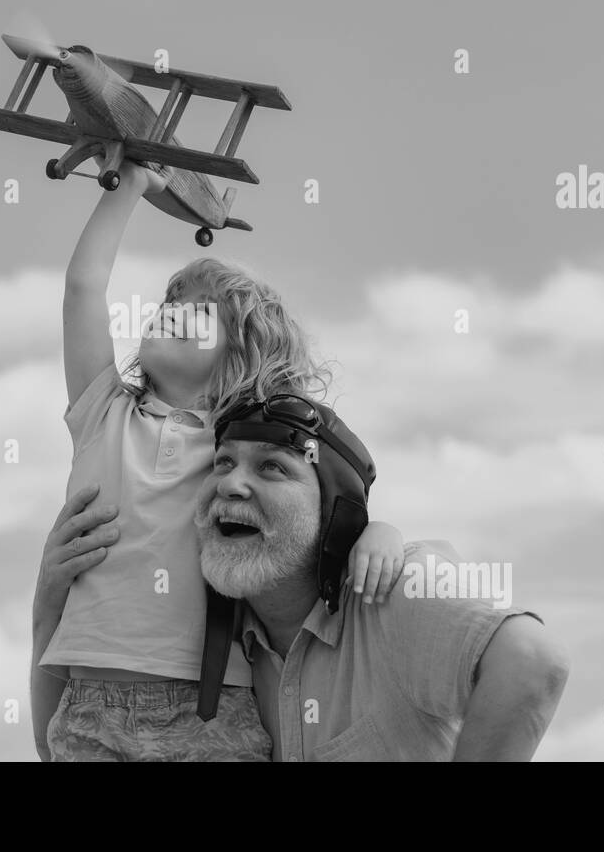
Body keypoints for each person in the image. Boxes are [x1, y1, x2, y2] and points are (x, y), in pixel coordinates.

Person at [30, 161, 406, 761]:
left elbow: (334, 495)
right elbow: (82, 288)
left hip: (211, 710)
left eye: (201, 309)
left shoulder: (237, 450)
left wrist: (380, 534)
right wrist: (128, 188)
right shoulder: (103, 414)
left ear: (244, 353)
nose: (173, 308)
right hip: (89, 704)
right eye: (169, 300)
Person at [194, 394, 571, 760]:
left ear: (334, 512)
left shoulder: (396, 588)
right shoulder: (208, 630)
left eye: (272, 467)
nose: (229, 485)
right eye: (224, 462)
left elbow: (532, 660)